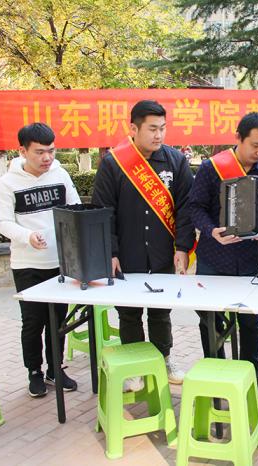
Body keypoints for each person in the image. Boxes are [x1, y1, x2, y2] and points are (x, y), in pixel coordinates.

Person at [92, 100, 195, 387]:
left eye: (162, 128)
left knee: (161, 312)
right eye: (152, 129)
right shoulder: (114, 163)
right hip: (128, 254)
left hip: (163, 253)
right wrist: (110, 252)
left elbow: (186, 209)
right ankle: (134, 366)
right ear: (134, 128)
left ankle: (164, 359)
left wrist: (182, 247)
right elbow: (104, 212)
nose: (158, 135)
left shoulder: (176, 161)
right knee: (129, 313)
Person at [188, 112, 258, 402]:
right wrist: (211, 231)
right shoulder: (212, 168)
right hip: (213, 257)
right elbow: (195, 207)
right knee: (210, 320)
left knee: (251, 323)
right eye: (255, 145)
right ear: (238, 138)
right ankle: (215, 374)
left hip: (249, 259)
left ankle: (251, 375)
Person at [0, 123, 80, 397]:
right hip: (27, 265)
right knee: (33, 322)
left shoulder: (60, 174)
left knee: (58, 320)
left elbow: (75, 208)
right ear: (23, 151)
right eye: (39, 152)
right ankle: (34, 371)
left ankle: (55, 369)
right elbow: (2, 222)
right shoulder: (8, 183)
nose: (47, 158)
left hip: (60, 263)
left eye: (51, 151)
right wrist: (27, 236)